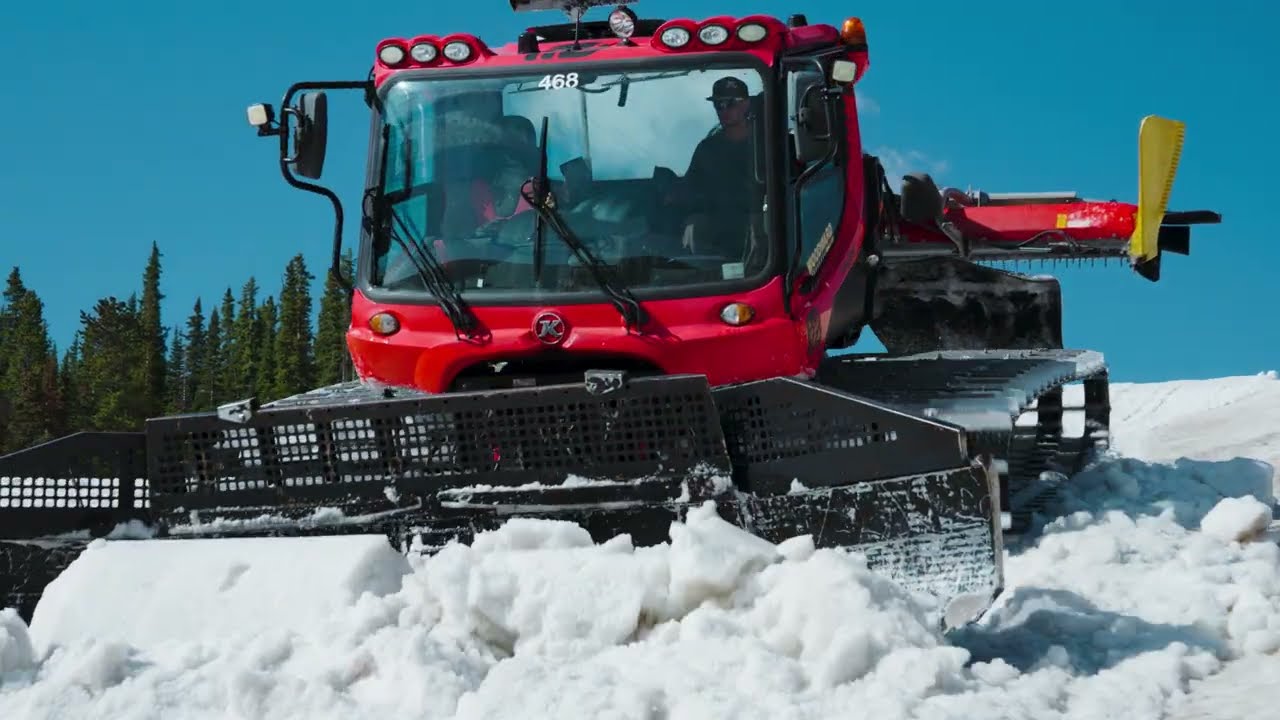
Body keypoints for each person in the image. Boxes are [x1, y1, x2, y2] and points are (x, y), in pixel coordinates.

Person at [677, 76, 764, 258]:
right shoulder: (707, 149)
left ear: (746, 104)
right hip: (719, 226)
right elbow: (690, 188)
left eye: (730, 103)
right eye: (718, 105)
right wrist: (692, 217)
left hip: (765, 224)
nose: (723, 110)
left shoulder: (769, 143)